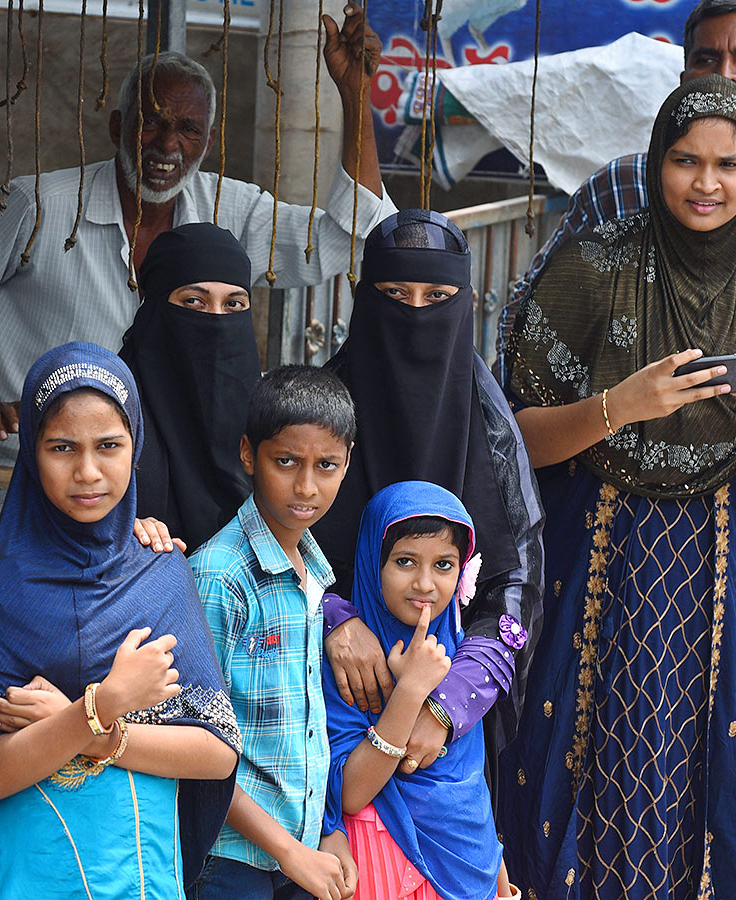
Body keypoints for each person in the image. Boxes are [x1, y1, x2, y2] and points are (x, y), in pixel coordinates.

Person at [497, 76, 736, 898]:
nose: (707, 184)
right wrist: (622, 405)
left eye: (730, 165)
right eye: (685, 160)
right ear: (654, 163)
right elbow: (514, 439)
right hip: (596, 548)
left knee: (695, 779)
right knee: (582, 760)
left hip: (714, 566)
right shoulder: (591, 271)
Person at [0, 3, 397, 466]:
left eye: (187, 129)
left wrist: (356, 94)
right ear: (118, 126)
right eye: (152, 121)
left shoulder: (231, 211)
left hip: (149, 483)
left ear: (207, 144)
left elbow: (348, 236)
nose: (168, 144)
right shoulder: (38, 204)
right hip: (14, 466)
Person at [494, 0, 736, 586]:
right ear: (684, 79)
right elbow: (526, 344)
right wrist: (616, 404)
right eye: (708, 59)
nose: (706, 184)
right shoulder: (619, 193)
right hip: (595, 518)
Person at [0, 342, 241, 899]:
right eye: (61, 447)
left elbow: (216, 753)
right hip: (29, 874)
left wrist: (89, 728)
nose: (87, 472)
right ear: (30, 453)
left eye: (109, 446)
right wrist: (100, 707)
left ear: (135, 447)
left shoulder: (161, 574)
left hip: (136, 872)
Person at [313, 209, 544, 773]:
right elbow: (273, 537)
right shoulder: (322, 414)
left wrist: (445, 703)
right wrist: (334, 618)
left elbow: (517, 580)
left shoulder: (488, 427)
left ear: (464, 303)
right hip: (324, 704)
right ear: (365, 299)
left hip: (446, 737)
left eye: (437, 297)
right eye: (396, 294)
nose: (415, 314)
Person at [188, 365, 358, 900]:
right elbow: (198, 745)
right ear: (248, 454)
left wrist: (326, 832)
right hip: (230, 859)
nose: (306, 486)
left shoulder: (315, 571)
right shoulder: (221, 575)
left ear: (346, 464)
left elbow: (306, 728)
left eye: (325, 465)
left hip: (300, 855)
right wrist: (289, 852)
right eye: (285, 462)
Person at [323, 481, 516, 900]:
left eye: (444, 565)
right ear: (373, 562)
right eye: (405, 561)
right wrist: (410, 690)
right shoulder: (346, 662)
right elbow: (351, 793)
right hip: (382, 861)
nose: (425, 584)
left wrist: (497, 869)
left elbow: (469, 780)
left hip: (472, 868)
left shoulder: (460, 654)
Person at [120, 222, 260, 550]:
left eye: (234, 305)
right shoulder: (115, 408)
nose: (215, 319)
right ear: (156, 305)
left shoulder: (266, 416)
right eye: (194, 302)